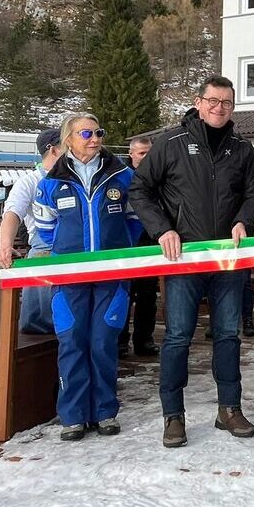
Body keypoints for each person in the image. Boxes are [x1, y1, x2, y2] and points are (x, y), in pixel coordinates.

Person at [130, 75, 254, 448]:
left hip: (227, 260)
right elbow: (139, 189)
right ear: (198, 101)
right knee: (177, 337)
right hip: (183, 258)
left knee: (227, 334)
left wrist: (244, 220)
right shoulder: (171, 143)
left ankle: (229, 409)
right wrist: (162, 230)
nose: (219, 108)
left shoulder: (241, 147)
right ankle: (173, 416)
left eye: (227, 102)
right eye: (213, 100)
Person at [33, 114, 140, 441]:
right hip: (69, 277)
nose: (95, 139)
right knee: (72, 339)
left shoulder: (123, 175)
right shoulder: (51, 182)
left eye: (99, 133)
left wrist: (120, 249)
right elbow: (45, 228)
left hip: (112, 275)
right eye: (87, 133)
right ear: (69, 139)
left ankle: (105, 411)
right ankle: (74, 415)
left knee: (103, 340)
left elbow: (136, 220)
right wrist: (66, 254)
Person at [0, 128, 61, 334]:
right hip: (45, 247)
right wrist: (5, 245)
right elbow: (13, 213)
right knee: (40, 314)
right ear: (54, 150)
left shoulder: (75, 177)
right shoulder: (29, 181)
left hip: (75, 245)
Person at [120, 135, 160, 357]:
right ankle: (120, 342)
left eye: (149, 153)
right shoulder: (121, 177)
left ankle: (144, 340)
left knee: (147, 295)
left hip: (150, 240)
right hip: (126, 242)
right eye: (141, 153)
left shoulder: (157, 176)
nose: (146, 157)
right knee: (124, 294)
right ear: (131, 154)